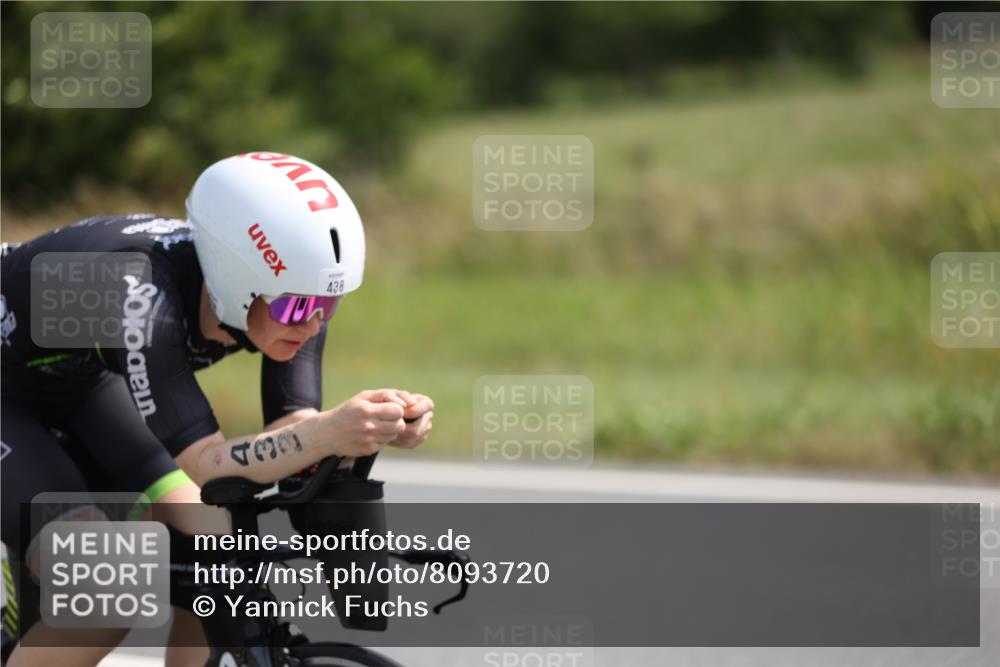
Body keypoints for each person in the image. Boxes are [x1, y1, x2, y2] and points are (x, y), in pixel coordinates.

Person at [0, 152, 434, 666]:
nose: (313, 324)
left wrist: (364, 430)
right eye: (298, 306)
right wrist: (327, 432)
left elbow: (294, 427)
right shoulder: (145, 301)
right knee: (107, 588)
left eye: (328, 305)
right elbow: (206, 465)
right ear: (235, 281)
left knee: (218, 551)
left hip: (76, 381)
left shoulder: (293, 292)